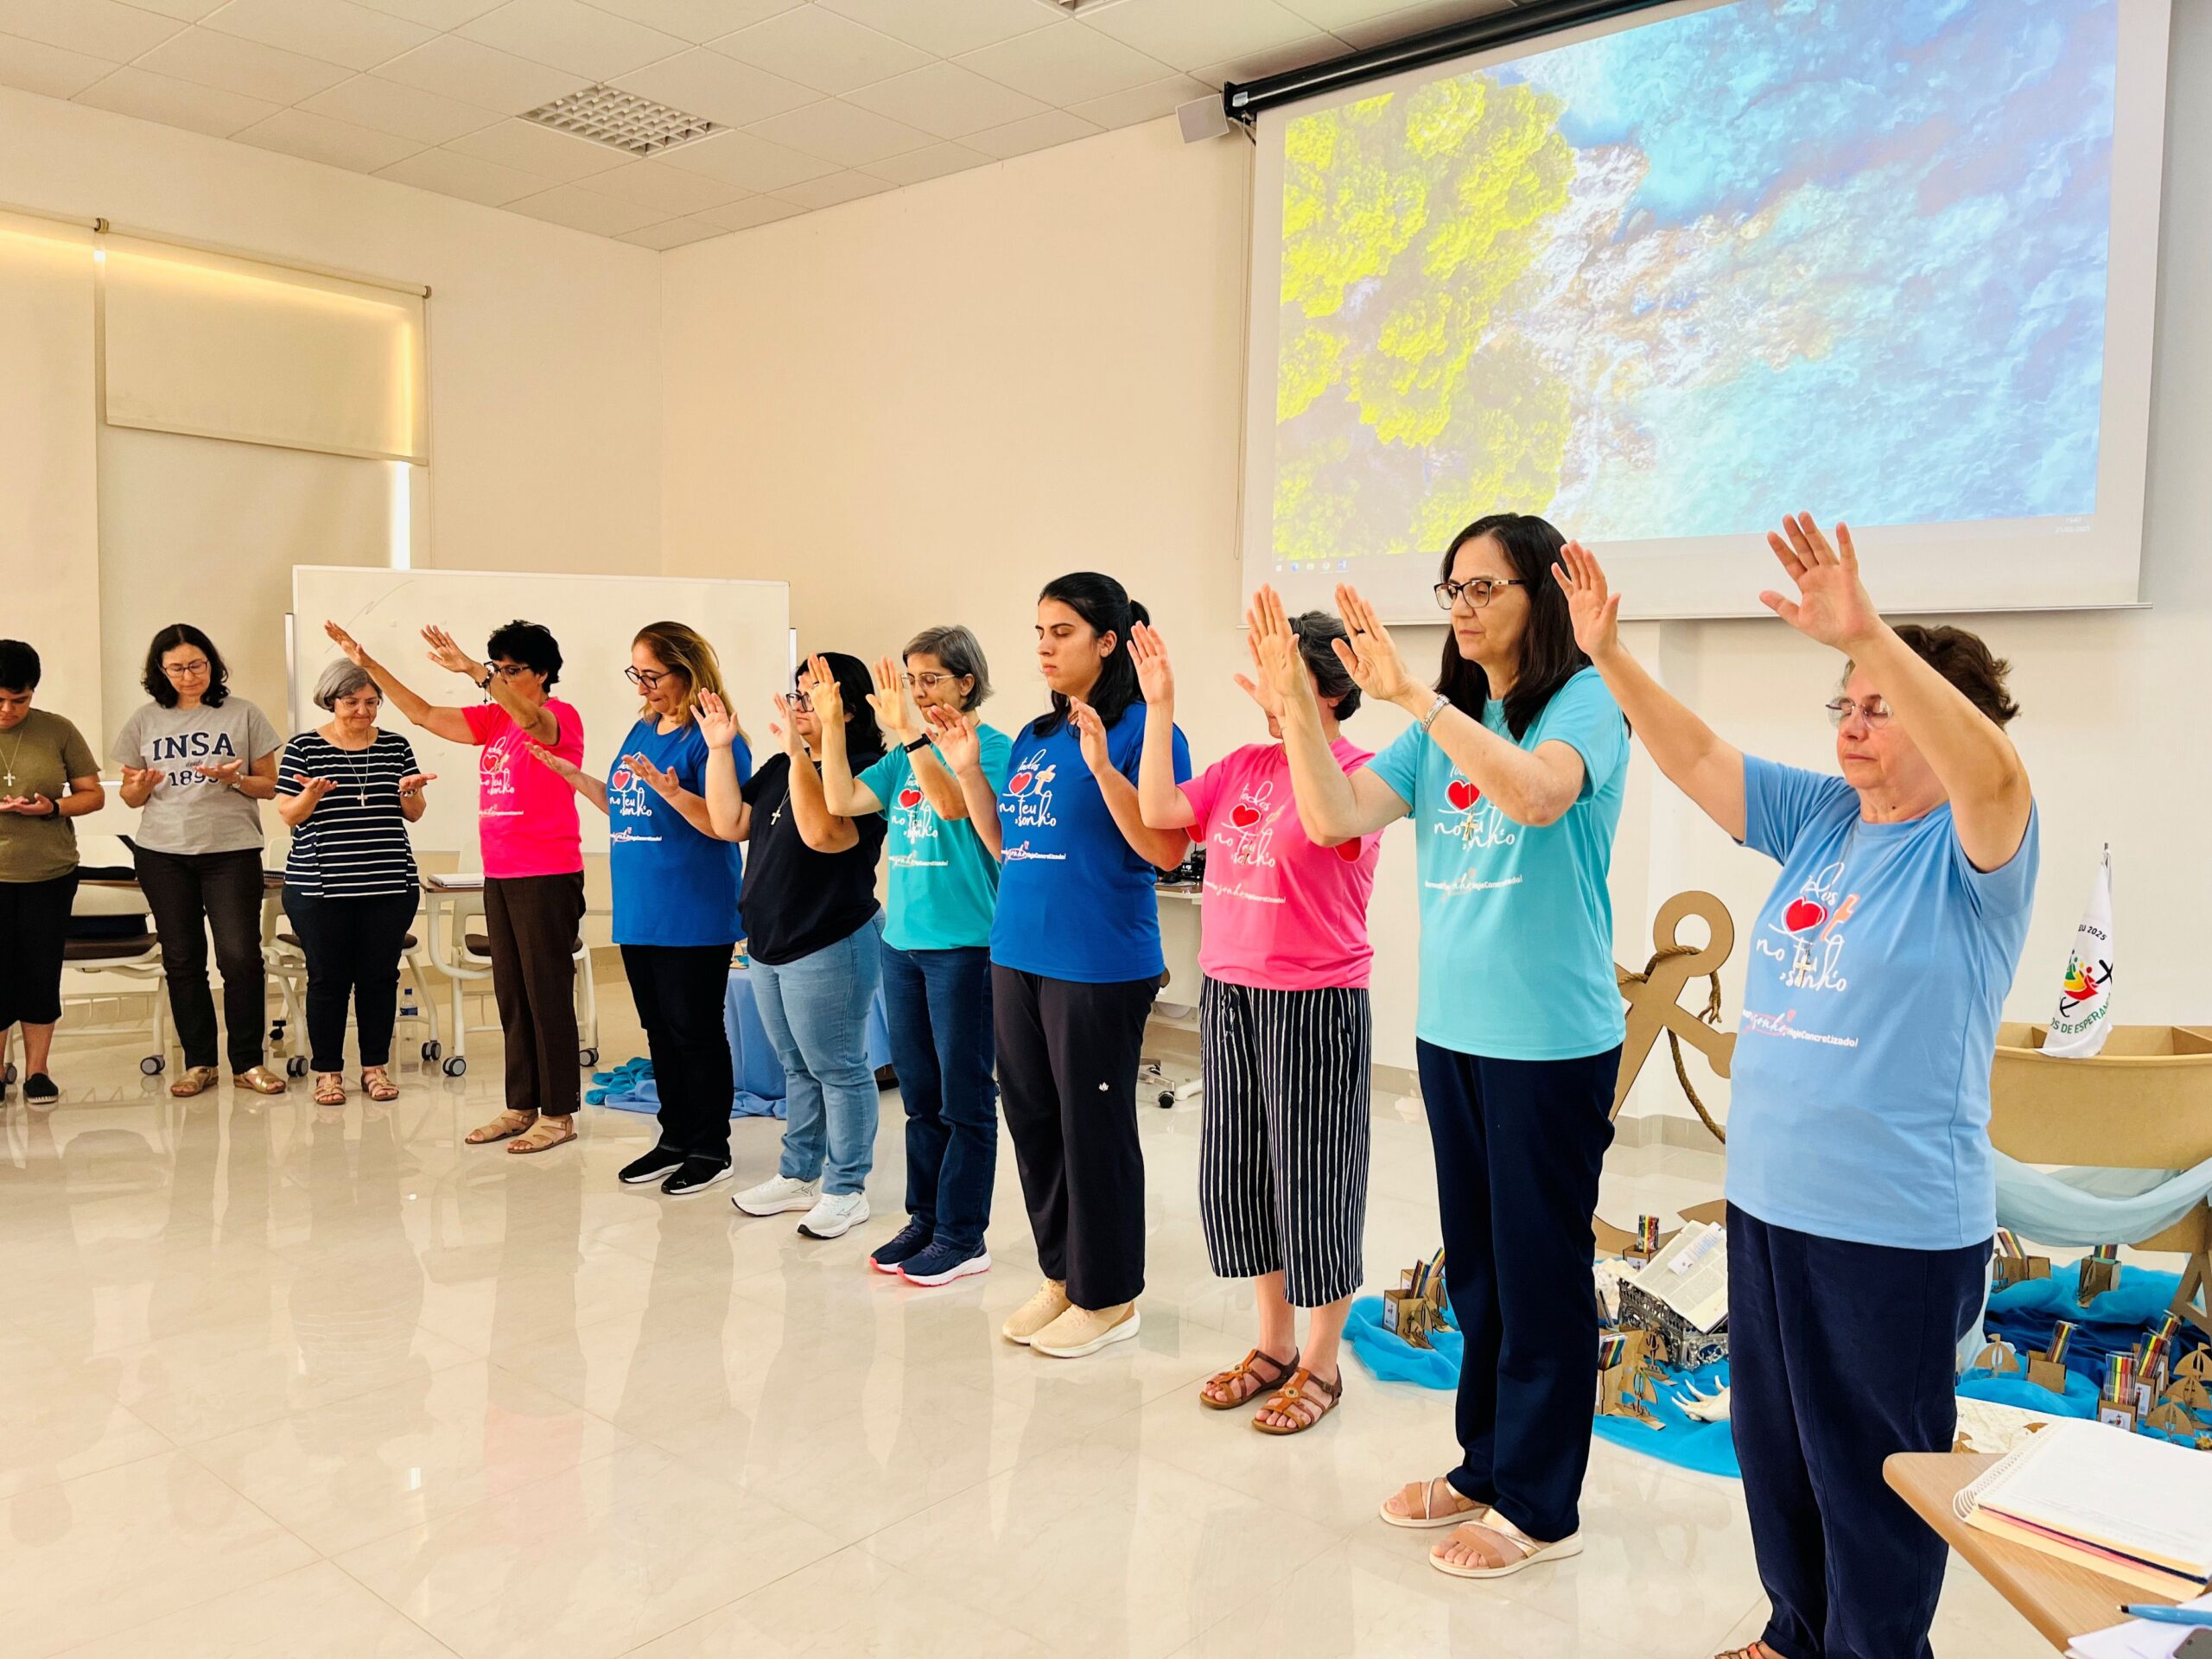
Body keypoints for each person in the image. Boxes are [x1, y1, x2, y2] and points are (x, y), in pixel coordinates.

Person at [1555, 519, 2037, 1659]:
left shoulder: (1978, 851)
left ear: (1941, 722)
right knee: (1777, 1448)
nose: (1856, 724)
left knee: (1876, 1479)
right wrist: (1612, 657)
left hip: (1896, 1230)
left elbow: (1997, 771)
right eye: (1846, 704)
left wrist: (1869, 629)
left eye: (1883, 705)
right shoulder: (1824, 821)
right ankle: (1795, 1632)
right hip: (1773, 1207)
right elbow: (1696, 756)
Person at [1262, 512, 1630, 1579]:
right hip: (1452, 1035)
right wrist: (1296, 707)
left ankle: (1541, 1507)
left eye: (1485, 588)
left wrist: (1416, 699)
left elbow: (1535, 793)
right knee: (1477, 1269)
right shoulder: (1439, 726)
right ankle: (1486, 1465)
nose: (1462, 609)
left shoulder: (1584, 704)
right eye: (1452, 590)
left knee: (1539, 1271)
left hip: (1548, 1043)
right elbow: (1333, 817)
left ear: (1543, 596)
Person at [1129, 607, 1381, 1433]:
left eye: (1291, 674)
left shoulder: (1360, 770)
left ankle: (1320, 1362)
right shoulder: (1241, 764)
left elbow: (1323, 821)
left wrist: (1300, 721)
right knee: (1242, 1177)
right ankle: (1271, 1346)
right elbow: (1161, 813)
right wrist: (1160, 702)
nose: (1272, 689)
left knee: (1316, 1181)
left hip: (1316, 1000)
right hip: (1230, 993)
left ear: (1334, 689)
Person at [938, 572, 1192, 1361]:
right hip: (1017, 952)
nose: (1044, 646)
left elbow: (1164, 850)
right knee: (1037, 1124)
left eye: (1063, 632)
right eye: (1039, 632)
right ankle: (1064, 1275)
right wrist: (971, 771)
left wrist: (1107, 766)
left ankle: (1111, 1294)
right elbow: (1008, 848)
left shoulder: (1146, 729)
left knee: (1094, 1131)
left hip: (1098, 963)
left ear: (1107, 641)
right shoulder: (1032, 737)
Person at [326, 618, 586, 1155]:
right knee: (512, 994)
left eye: (514, 671)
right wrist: (368, 663)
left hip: (546, 873)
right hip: (503, 871)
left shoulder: (558, 718)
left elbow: (532, 720)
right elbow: (422, 715)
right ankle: (522, 1105)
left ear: (542, 674)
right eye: (499, 670)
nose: (504, 679)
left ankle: (559, 1114)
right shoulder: (494, 723)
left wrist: (473, 671)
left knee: (547, 993)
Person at [817, 629, 1012, 1287]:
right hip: (903, 947)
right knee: (922, 1099)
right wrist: (827, 731)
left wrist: (912, 735)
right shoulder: (905, 754)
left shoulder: (992, 749)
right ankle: (925, 1219)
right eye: (911, 679)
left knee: (965, 1100)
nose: (918, 692)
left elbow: (955, 806)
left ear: (966, 682)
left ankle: (964, 1234)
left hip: (966, 950)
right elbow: (841, 802)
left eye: (931, 679)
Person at [527, 623, 748, 1197]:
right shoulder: (643, 727)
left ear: (687, 670)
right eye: (637, 674)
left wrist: (675, 792)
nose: (643, 686)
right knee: (658, 1030)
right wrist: (577, 779)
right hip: (640, 909)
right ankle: (674, 1137)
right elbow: (627, 806)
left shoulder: (715, 738)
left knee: (694, 1031)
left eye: (652, 675)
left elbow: (725, 826)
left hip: (693, 910)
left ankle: (710, 1147)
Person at [703, 654, 888, 1240]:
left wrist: (800, 754)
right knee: (796, 1066)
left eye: (813, 697)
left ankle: (847, 1187)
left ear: (847, 708)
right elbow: (729, 821)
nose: (798, 705)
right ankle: (798, 1174)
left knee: (838, 1067)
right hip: (768, 941)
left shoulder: (865, 768)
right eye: (798, 693)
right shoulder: (785, 764)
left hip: (829, 937)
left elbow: (822, 834)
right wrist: (716, 748)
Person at [113, 624, 286, 1099]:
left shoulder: (243, 714)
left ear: (212, 664)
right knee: (184, 960)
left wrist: (234, 779)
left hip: (230, 851)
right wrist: (141, 787)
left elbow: (270, 786)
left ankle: (248, 1062)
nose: (189, 676)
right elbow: (130, 796)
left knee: (240, 957)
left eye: (198, 665)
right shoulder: (145, 720)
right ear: (160, 672)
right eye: (177, 668)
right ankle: (199, 1063)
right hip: (163, 853)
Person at [275, 662, 434, 1108]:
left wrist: (410, 790)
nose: (363, 711)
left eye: (371, 702)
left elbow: (415, 812)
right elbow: (289, 814)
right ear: (331, 701)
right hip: (320, 887)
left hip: (388, 882)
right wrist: (312, 794)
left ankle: (374, 1068)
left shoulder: (396, 746)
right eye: (352, 702)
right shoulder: (304, 747)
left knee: (379, 977)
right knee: (328, 979)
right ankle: (328, 1073)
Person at [0, 640, 105, 1107]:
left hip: (49, 873)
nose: (8, 709)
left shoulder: (58, 730)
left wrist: (53, 807)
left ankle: (37, 1072)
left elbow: (93, 794)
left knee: (39, 972)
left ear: (33, 692)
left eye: (19, 700)